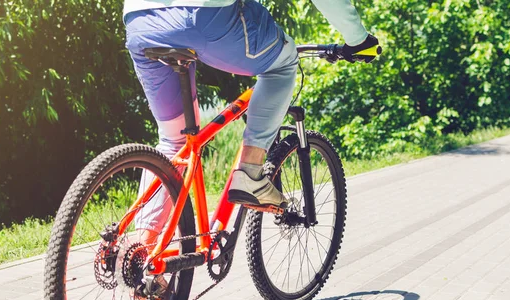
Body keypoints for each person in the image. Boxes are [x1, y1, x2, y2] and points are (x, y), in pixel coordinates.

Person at [125, 0, 379, 246]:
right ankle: (250, 173)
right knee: (283, 61)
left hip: (140, 21)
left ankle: (141, 253)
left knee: (175, 140)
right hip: (204, 16)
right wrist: (358, 39)